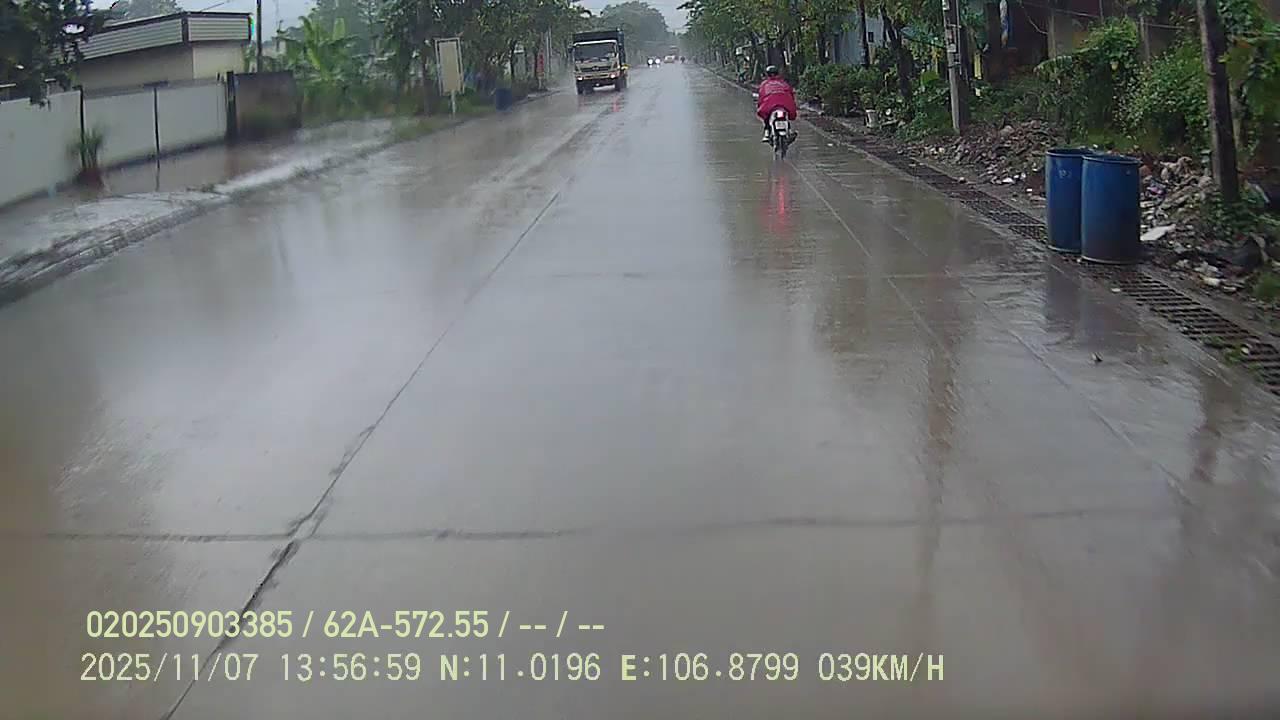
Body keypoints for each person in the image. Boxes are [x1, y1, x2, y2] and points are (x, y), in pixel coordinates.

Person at [756, 65, 797, 142]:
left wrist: (759, 105)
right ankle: (790, 130)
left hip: (769, 106)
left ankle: (767, 132)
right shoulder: (784, 83)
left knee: (766, 116)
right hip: (785, 105)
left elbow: (761, 97)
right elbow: (791, 95)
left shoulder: (764, 84)